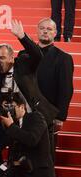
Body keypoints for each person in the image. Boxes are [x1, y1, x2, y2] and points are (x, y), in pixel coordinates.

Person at [0, 93, 76, 177]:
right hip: (23, 176)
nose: (9, 110)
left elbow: (32, 139)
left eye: (12, 106)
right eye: (6, 107)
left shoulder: (36, 117)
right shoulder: (14, 125)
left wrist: (11, 127)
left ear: (22, 107)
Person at [35, 18, 74, 158]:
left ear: (55, 33)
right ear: (37, 31)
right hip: (26, 114)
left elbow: (66, 89)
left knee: (46, 156)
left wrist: (60, 116)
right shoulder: (24, 55)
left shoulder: (64, 58)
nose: (45, 31)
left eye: (49, 29)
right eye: (42, 28)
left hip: (49, 115)